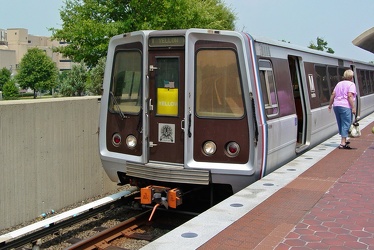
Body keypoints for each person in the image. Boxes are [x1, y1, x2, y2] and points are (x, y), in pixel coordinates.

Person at [328, 69, 357, 149]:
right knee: (346, 123)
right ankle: (343, 143)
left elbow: (333, 94)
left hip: (336, 105)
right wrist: (353, 107)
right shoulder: (351, 84)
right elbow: (349, 96)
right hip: (345, 106)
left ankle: (343, 139)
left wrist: (330, 105)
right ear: (351, 77)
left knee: (340, 122)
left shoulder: (339, 83)